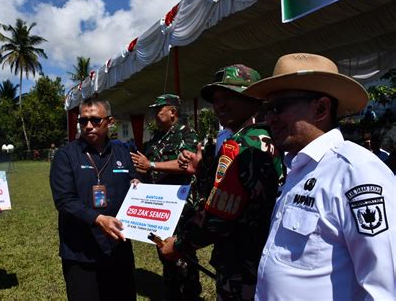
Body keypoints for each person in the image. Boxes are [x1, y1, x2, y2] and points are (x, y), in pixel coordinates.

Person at [243, 53, 396, 299]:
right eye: (266, 108)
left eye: (277, 107)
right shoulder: (297, 167)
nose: (269, 118)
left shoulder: (355, 172)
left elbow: (386, 288)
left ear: (321, 108)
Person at [159, 64, 285, 300]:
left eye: (230, 96)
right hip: (264, 258)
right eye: (216, 99)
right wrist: (201, 168)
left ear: (254, 99)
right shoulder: (268, 137)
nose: (219, 105)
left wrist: (178, 245)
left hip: (241, 262)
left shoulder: (241, 145)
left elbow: (218, 215)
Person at [50, 97, 139, 301]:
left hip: (118, 248)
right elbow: (64, 200)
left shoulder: (123, 153)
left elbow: (134, 179)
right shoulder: (65, 156)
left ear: (110, 121)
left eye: (95, 120)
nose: (88, 126)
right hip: (81, 252)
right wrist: (98, 219)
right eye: (83, 121)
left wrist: (137, 184)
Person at [130, 94, 202, 301]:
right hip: (159, 208)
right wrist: (138, 180)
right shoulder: (154, 140)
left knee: (183, 251)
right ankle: (171, 289)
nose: (154, 114)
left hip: (181, 207)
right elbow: (143, 169)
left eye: (158, 110)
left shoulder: (187, 135)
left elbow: (187, 166)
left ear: (172, 112)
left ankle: (190, 293)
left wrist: (151, 165)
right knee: (162, 249)